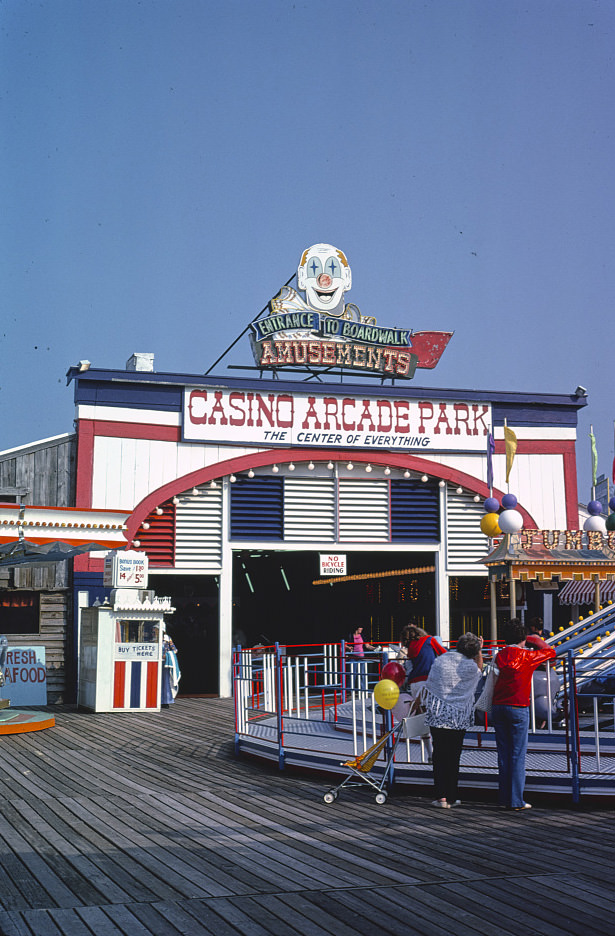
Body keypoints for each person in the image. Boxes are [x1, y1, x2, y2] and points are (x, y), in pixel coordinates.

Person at [491, 618, 556, 809]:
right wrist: (533, 639)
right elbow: (551, 652)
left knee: (503, 754)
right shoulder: (528, 656)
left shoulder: (499, 655)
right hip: (518, 706)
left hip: (498, 706)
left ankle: (504, 798)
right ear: (522, 638)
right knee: (517, 754)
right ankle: (516, 800)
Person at [421, 633, 484, 808]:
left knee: (439, 755)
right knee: (454, 757)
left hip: (439, 713)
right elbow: (481, 669)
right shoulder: (471, 667)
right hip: (459, 717)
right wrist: (480, 650)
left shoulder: (440, 661)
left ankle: (441, 797)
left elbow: (431, 684)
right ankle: (452, 796)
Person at [161, 631, 181, 707]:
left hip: (165, 663)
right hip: (155, 662)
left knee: (166, 681)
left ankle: (166, 701)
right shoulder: (152, 637)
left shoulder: (167, 639)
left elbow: (174, 650)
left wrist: (167, 655)